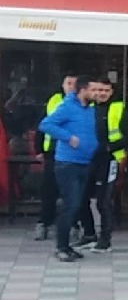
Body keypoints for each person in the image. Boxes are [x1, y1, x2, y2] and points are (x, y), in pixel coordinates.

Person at [38, 75, 99, 262]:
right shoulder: (67, 106)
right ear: (82, 91)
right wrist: (68, 137)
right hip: (68, 164)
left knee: (77, 204)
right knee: (70, 205)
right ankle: (61, 247)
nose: (96, 93)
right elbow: (45, 124)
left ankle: (67, 247)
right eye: (93, 90)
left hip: (84, 162)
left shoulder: (89, 109)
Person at [74, 77, 128, 253]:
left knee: (103, 201)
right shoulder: (87, 108)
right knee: (81, 198)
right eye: (98, 90)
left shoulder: (118, 108)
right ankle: (89, 235)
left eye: (105, 91)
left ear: (111, 92)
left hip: (110, 160)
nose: (101, 94)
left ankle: (105, 240)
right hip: (88, 159)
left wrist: (109, 148)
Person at [33, 73, 77, 241]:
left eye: (74, 83)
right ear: (63, 85)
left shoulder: (83, 103)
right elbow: (41, 126)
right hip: (52, 152)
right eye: (68, 83)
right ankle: (44, 223)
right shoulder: (53, 101)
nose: (71, 86)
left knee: (70, 191)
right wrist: (38, 149)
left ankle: (73, 225)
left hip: (73, 153)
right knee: (48, 189)